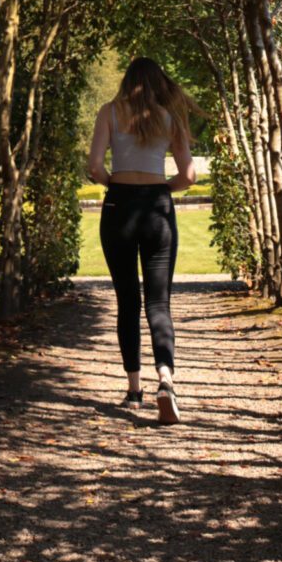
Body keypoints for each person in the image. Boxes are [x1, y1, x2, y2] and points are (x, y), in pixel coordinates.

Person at [86, 57, 200, 424]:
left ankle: (134, 390)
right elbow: (189, 175)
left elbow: (95, 167)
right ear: (157, 83)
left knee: (126, 300)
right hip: (156, 207)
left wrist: (114, 184)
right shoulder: (169, 117)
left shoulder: (109, 112)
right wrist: (163, 187)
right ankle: (165, 378)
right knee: (158, 302)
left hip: (119, 204)